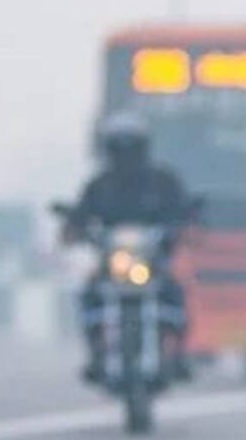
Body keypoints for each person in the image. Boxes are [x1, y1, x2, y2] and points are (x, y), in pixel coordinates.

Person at [62, 112, 194, 383]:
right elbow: (79, 217)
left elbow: (184, 210)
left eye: (131, 148)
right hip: (111, 263)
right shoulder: (99, 185)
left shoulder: (162, 181)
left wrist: (184, 225)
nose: (125, 157)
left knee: (175, 294)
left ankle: (178, 355)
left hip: (153, 261)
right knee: (89, 294)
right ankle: (96, 354)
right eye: (119, 149)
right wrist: (75, 230)